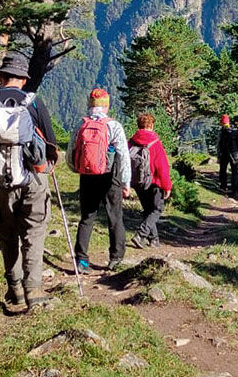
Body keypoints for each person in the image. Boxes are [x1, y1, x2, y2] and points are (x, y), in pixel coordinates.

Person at [0, 51, 58, 309]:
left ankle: (14, 287)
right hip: (33, 178)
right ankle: (34, 289)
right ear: (24, 79)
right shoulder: (34, 103)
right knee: (34, 231)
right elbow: (50, 142)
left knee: (7, 233)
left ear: (2, 77)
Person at [69, 87, 130, 271]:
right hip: (110, 178)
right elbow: (124, 156)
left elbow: (71, 151)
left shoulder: (81, 124)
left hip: (87, 176)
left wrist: (77, 169)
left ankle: (82, 260)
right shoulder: (114, 126)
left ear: (90, 104)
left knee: (87, 217)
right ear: (106, 106)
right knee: (115, 217)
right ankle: (115, 258)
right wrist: (126, 182)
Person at [128, 113, 172, 249]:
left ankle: (154, 240)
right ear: (151, 125)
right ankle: (140, 235)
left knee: (148, 210)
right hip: (154, 182)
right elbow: (162, 166)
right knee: (157, 209)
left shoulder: (131, 142)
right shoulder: (155, 143)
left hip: (137, 181)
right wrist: (167, 186)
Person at [216, 114, 238, 196]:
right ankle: (235, 190)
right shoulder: (235, 131)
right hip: (235, 154)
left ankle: (223, 187)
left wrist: (219, 156)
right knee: (234, 172)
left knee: (223, 170)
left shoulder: (222, 132)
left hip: (224, 154)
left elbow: (219, 144)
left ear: (222, 123)